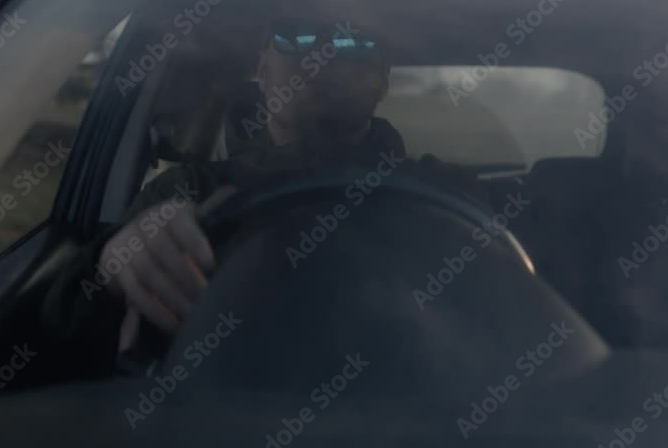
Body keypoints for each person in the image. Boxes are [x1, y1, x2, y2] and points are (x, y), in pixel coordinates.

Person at [36, 19, 466, 379]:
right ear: (262, 72)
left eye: (355, 41)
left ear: (382, 80)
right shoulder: (185, 193)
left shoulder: (448, 191)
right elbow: (52, 351)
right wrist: (113, 266)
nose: (324, 53)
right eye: (297, 35)